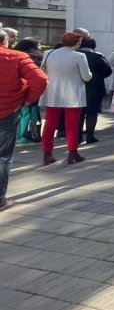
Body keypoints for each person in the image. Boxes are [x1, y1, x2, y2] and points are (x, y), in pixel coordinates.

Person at [1, 29, 47, 210]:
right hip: (6, 111)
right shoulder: (17, 57)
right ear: (5, 41)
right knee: (3, 157)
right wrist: (28, 99)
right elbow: (40, 80)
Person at [40, 32, 92, 165]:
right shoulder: (79, 56)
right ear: (78, 43)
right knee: (72, 125)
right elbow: (86, 77)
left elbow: (42, 71)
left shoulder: (49, 53)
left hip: (52, 92)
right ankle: (72, 152)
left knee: (50, 124)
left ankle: (47, 154)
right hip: (73, 93)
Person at [78, 37, 113, 144]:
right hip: (95, 88)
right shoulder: (97, 56)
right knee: (92, 113)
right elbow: (107, 72)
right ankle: (90, 136)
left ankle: (78, 136)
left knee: (79, 113)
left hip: (77, 87)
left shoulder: (74, 55)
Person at [14, 38, 44, 145]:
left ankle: (19, 136)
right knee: (31, 114)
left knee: (20, 114)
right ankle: (25, 137)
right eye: (39, 44)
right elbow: (38, 77)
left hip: (17, 89)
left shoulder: (16, 55)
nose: (40, 46)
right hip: (30, 90)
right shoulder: (34, 59)